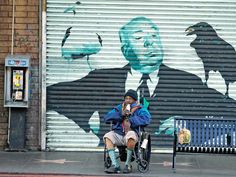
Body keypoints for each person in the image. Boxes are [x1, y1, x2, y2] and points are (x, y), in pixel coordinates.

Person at [47, 17, 236, 148]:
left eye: (154, 36)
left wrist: (185, 124)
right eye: (139, 38)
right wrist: (86, 123)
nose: (149, 43)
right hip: (120, 150)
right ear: (125, 49)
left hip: (161, 157)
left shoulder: (187, 81)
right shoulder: (101, 78)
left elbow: (226, 108)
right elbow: (54, 95)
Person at [103, 89, 151, 173]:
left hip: (132, 132)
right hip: (119, 132)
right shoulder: (119, 107)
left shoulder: (140, 109)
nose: (128, 100)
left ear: (135, 100)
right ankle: (115, 165)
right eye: (126, 98)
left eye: (130, 99)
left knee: (131, 135)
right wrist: (120, 114)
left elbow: (146, 119)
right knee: (108, 137)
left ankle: (127, 164)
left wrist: (131, 119)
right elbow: (107, 117)